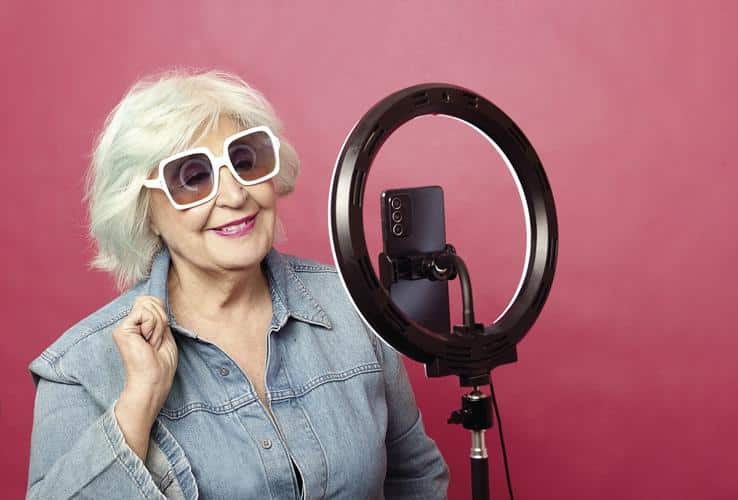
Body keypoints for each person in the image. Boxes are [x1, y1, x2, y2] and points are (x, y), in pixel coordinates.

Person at [26, 69, 449, 499]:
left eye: (245, 162)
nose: (234, 196)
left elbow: (416, 477)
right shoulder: (79, 371)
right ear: (143, 209)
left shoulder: (354, 309)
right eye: (192, 178)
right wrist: (137, 406)